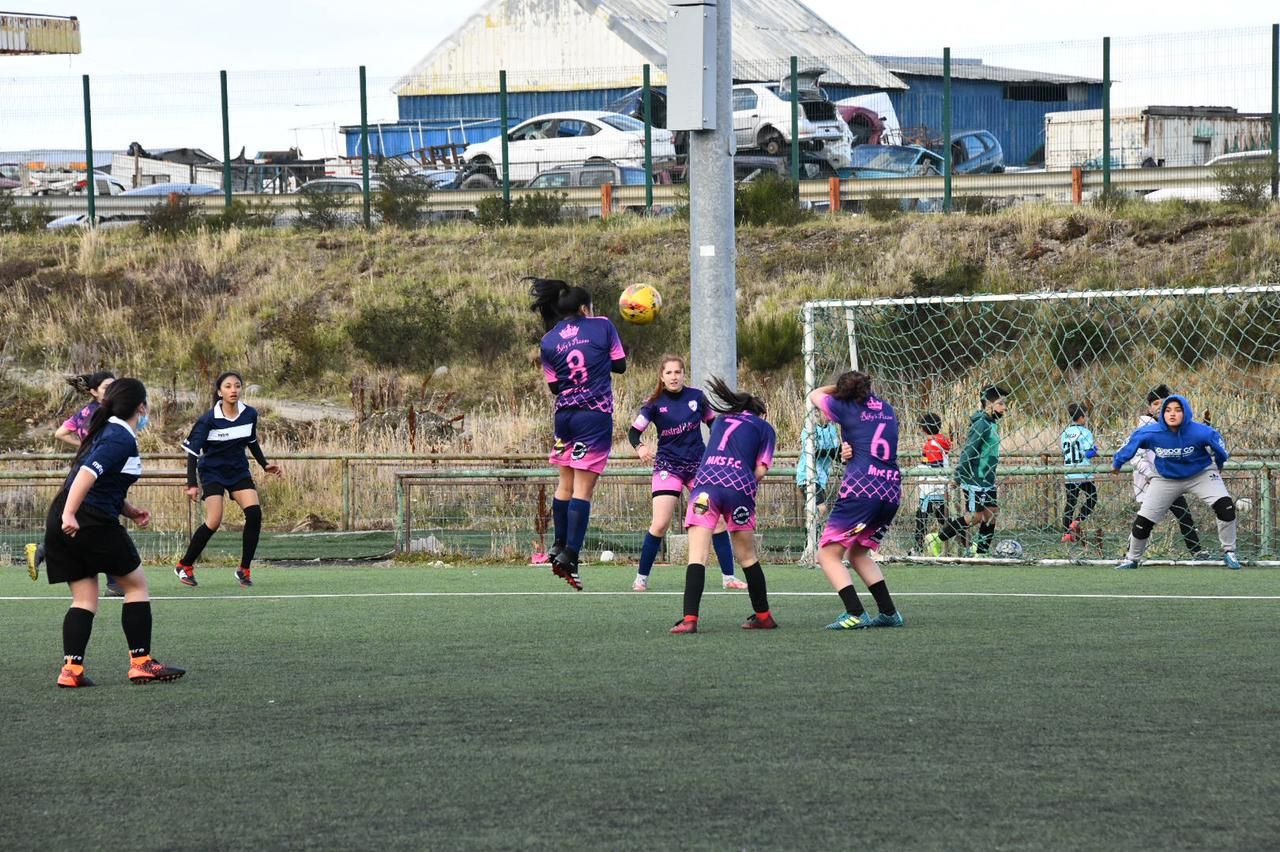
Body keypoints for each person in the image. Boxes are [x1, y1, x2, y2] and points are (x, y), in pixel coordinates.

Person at [40, 377, 185, 687]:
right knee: (135, 587)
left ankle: (72, 671)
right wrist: (70, 513)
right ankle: (142, 663)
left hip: (65, 520)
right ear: (141, 406)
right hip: (87, 520)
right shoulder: (120, 437)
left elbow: (105, 482)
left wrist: (129, 510)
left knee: (84, 598)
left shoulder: (105, 430)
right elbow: (87, 474)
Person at [531, 277, 626, 590]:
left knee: (565, 484)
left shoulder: (548, 340)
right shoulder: (602, 325)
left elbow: (555, 386)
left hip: (565, 416)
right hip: (594, 415)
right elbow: (620, 365)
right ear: (586, 308)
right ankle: (571, 555)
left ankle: (558, 544)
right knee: (583, 491)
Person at [627, 355, 747, 592]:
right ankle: (641, 578)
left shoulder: (696, 397)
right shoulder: (653, 403)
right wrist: (640, 447)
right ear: (662, 377)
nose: (674, 377)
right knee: (660, 524)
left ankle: (728, 577)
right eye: (669, 373)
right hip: (667, 467)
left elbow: (714, 425)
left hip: (697, 468)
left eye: (677, 372)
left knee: (719, 521)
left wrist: (720, 449)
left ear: (684, 374)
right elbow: (633, 432)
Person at [670, 378, 777, 634]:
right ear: (759, 412)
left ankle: (689, 620)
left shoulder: (719, 420)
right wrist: (745, 484)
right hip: (740, 487)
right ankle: (764, 616)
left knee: (697, 556)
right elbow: (761, 469)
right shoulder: (765, 428)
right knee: (748, 557)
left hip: (706, 485)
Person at [808, 372, 905, 630]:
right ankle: (888, 612)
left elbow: (815, 394)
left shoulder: (845, 406)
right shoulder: (886, 408)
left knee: (827, 554)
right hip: (891, 489)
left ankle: (855, 612)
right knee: (859, 552)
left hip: (862, 489)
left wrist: (839, 390)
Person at [175, 371, 282, 588]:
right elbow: (192, 453)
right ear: (219, 392)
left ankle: (244, 569)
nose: (233, 390)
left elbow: (251, 441)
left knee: (254, 514)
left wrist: (264, 464)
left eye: (237, 386)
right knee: (214, 521)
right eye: (228, 386)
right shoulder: (208, 420)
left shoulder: (249, 414)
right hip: (212, 472)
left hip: (238, 471)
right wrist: (192, 484)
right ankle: (184, 565)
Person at [1112, 393, 1240, 569]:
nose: (1172, 414)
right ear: (1163, 413)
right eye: (1168, 410)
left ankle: (1229, 552)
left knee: (1225, 507)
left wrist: (1219, 463)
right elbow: (1131, 444)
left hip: (1200, 474)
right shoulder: (1151, 432)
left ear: (1185, 413)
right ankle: (1132, 559)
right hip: (1165, 478)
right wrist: (1117, 463)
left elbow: (1219, 445)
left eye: (1178, 410)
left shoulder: (1200, 431)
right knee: (1143, 522)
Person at [27, 371, 123, 596]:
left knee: (94, 524)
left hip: (84, 468)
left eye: (114, 385)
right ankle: (114, 583)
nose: (111, 390)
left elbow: (60, 433)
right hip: (93, 472)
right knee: (104, 521)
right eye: (106, 387)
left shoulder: (86, 411)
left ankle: (45, 551)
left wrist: (82, 444)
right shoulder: (104, 413)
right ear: (93, 391)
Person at [925, 385, 1008, 557]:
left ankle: (981, 552)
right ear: (989, 405)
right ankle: (936, 538)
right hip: (974, 479)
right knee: (976, 516)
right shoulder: (981, 425)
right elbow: (968, 451)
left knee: (992, 513)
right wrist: (958, 477)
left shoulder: (992, 424)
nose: (1004, 408)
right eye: (1001, 404)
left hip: (988, 479)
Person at [1133, 384, 1209, 559]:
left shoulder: (1170, 428)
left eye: (1163, 404)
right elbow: (1136, 456)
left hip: (1168, 479)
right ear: (1149, 407)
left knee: (1183, 514)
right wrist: (1150, 475)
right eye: (1155, 403)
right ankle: (1131, 551)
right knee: (1146, 520)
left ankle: (1196, 551)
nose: (1159, 407)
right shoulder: (1145, 428)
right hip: (1152, 481)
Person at [1060, 403, 1100, 543]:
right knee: (1092, 497)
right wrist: (1095, 450)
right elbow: (1088, 454)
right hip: (1083, 473)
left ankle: (1066, 533)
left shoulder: (1065, 433)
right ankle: (1077, 521)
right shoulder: (1085, 432)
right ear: (1082, 417)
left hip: (1069, 472)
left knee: (1070, 502)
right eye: (1085, 416)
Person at [912, 413, 951, 554]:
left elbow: (934, 466)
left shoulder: (931, 445)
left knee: (921, 519)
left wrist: (917, 470)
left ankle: (917, 549)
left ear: (923, 429)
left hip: (931, 488)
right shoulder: (942, 440)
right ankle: (965, 544)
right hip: (942, 487)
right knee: (944, 519)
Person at [795, 410, 840, 506]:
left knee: (815, 509)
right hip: (808, 475)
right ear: (817, 412)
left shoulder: (831, 429)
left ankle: (810, 519)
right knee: (821, 508)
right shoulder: (809, 429)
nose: (830, 416)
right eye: (827, 413)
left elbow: (835, 453)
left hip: (822, 476)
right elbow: (812, 452)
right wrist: (833, 451)